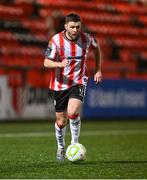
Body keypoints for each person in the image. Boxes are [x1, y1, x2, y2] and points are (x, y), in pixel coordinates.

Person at [44, 13, 102, 161]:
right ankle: (61, 147)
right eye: (72, 27)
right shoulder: (56, 40)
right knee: (61, 121)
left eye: (78, 26)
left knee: (73, 112)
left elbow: (97, 48)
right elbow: (46, 62)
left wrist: (98, 69)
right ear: (66, 26)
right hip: (60, 84)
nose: (75, 29)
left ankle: (74, 143)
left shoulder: (87, 39)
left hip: (79, 81)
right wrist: (59, 64)